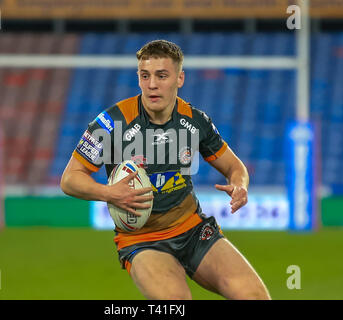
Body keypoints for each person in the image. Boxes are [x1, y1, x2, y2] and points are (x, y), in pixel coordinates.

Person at [60, 39, 271, 300]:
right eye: (144, 75)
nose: (152, 85)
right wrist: (109, 193)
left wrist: (240, 184)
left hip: (195, 230)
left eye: (161, 76)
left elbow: (233, 166)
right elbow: (70, 179)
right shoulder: (111, 122)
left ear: (179, 78)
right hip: (143, 239)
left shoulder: (195, 120)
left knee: (255, 297)